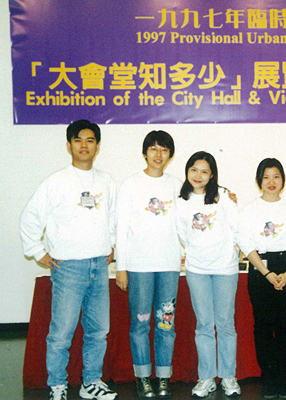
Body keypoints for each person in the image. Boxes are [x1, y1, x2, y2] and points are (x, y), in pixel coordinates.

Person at [20, 120, 117, 400]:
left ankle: (91, 383)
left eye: (90, 140)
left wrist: (112, 245)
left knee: (98, 331)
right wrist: (38, 252)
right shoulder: (56, 182)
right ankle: (58, 385)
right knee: (62, 332)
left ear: (97, 146)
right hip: (68, 267)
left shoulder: (106, 181)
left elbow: (113, 216)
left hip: (99, 265)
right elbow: (30, 217)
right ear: (69, 145)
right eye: (78, 140)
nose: (84, 145)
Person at [115, 131, 182, 398]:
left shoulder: (177, 185)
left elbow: (197, 207)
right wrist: (121, 266)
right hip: (139, 266)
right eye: (153, 149)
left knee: (166, 323)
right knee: (140, 324)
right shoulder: (131, 184)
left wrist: (225, 196)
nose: (158, 154)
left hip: (168, 265)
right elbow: (121, 228)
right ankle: (142, 377)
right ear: (145, 153)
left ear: (170, 155)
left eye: (164, 149)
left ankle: (163, 377)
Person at [176, 151, 241, 398]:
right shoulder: (181, 202)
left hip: (225, 268)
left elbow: (236, 227)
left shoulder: (223, 197)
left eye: (204, 171)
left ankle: (228, 376)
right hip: (197, 270)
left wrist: (229, 253)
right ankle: (206, 378)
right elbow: (183, 234)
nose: (198, 175)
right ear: (187, 171)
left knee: (225, 324)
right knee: (203, 325)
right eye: (194, 170)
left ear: (212, 175)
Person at [238, 158, 286, 399]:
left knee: (285, 326)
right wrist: (266, 273)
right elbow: (246, 243)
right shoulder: (249, 210)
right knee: (263, 326)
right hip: (260, 269)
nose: (271, 181)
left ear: (283, 180)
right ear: (259, 180)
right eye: (266, 177)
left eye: (276, 176)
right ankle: (269, 379)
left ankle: (283, 379)